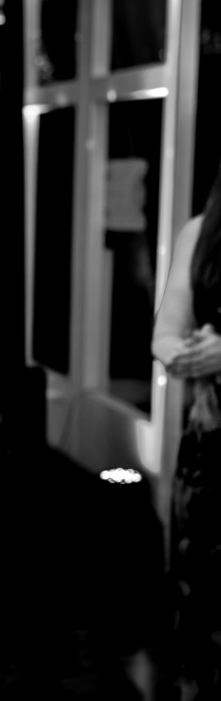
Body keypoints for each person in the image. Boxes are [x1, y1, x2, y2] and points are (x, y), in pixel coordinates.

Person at [152, 168, 221, 698]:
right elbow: (164, 335)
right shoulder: (202, 231)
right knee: (199, 601)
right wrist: (184, 352)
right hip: (208, 452)